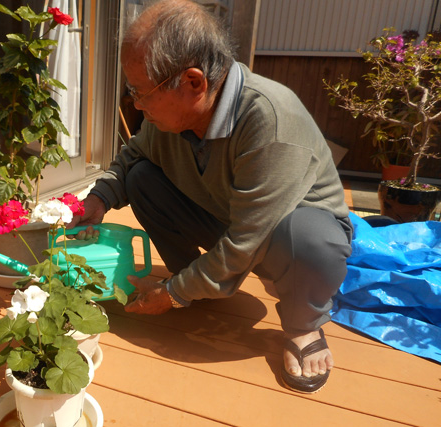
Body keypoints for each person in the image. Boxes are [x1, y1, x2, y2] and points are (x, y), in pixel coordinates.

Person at [69, 0, 353, 394]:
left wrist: (170, 294)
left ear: (193, 82)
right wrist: (99, 199)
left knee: (312, 240)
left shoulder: (269, 119)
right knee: (140, 178)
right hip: (231, 217)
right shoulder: (173, 115)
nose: (134, 103)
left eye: (139, 91)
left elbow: (247, 239)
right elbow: (133, 155)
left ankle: (304, 326)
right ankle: (196, 286)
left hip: (281, 238)